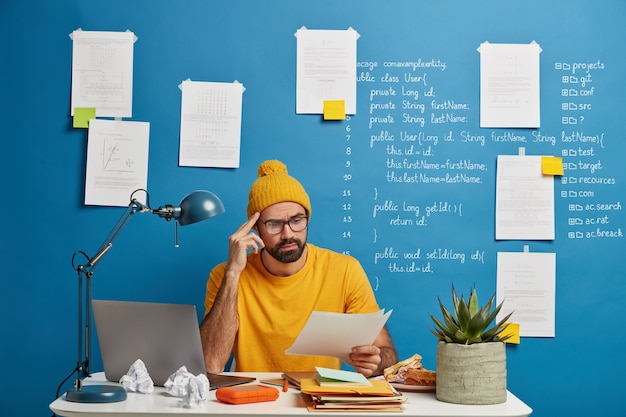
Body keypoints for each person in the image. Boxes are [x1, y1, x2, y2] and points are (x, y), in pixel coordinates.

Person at [199, 160, 397, 377]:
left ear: (307, 218)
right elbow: (211, 365)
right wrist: (233, 274)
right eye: (274, 224)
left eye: (296, 220)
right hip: (254, 401)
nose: (288, 234)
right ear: (255, 228)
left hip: (321, 401)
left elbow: (387, 356)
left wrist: (376, 362)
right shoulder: (225, 276)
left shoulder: (345, 270)